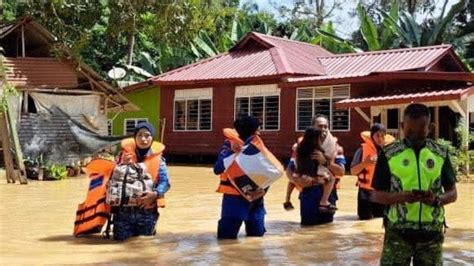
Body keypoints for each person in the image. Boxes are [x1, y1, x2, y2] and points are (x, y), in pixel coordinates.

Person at [371, 103, 457, 265]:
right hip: (397, 232)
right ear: (402, 126)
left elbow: (453, 193)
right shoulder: (388, 154)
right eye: (410, 131)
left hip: (431, 234)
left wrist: (436, 200)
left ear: (430, 127)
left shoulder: (440, 153)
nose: (414, 136)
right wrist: (400, 197)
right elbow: (376, 195)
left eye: (420, 131)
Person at [112, 122, 170, 241]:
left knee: (145, 246)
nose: (143, 139)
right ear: (135, 138)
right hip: (123, 214)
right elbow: (109, 178)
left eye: (147, 135)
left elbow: (165, 183)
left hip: (147, 212)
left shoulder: (160, 160)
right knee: (120, 248)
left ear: (152, 138)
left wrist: (155, 194)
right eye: (139, 135)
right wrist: (121, 165)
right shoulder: (122, 156)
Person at [214, 116, 267, 239]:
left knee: (257, 236)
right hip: (234, 197)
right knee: (226, 238)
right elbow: (217, 169)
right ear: (250, 132)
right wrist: (232, 152)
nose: (259, 133)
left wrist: (262, 192)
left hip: (256, 198)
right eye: (257, 130)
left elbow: (269, 173)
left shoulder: (258, 146)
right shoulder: (229, 145)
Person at [286, 115, 345, 225]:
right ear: (312, 128)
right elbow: (289, 171)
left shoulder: (336, 148)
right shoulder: (302, 147)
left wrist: (325, 162)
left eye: (325, 126)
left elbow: (341, 172)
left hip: (328, 193)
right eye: (319, 126)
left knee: (327, 229)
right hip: (308, 192)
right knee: (307, 227)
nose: (322, 129)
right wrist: (297, 181)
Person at [294, 127, 337, 212]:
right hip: (312, 176)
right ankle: (324, 201)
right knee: (331, 178)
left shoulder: (300, 148)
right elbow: (325, 159)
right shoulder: (316, 150)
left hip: (300, 174)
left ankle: (287, 199)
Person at [350, 123, 387, 220]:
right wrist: (365, 163)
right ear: (372, 136)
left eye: (382, 135)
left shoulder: (389, 152)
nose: (380, 138)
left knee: (381, 218)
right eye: (377, 135)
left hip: (382, 191)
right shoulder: (361, 150)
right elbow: (353, 172)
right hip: (365, 192)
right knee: (364, 219)